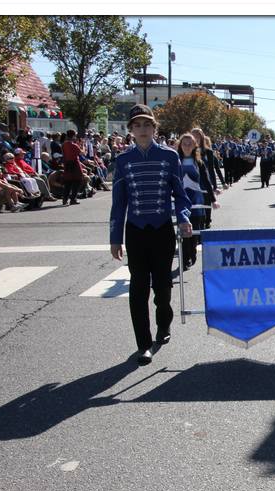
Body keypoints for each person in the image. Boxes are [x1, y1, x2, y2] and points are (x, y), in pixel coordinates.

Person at [109, 104, 193, 365]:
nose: (142, 130)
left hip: (161, 230)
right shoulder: (123, 160)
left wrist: (183, 217)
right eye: (137, 125)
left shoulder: (169, 157)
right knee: (138, 288)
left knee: (163, 288)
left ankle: (163, 325)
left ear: (155, 128)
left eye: (147, 125)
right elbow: (118, 202)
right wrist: (115, 237)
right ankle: (144, 344)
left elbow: (180, 195)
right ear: (131, 130)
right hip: (135, 231)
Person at [177, 133, 218, 271]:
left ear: (195, 145)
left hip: (196, 200)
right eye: (184, 144)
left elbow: (206, 182)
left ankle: (192, 253)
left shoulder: (199, 163)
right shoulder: (175, 161)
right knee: (183, 231)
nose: (187, 147)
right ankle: (183, 259)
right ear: (180, 145)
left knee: (194, 232)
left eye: (190, 144)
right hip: (181, 201)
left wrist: (213, 200)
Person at [61, 130, 84, 206]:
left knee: (68, 182)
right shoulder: (74, 145)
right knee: (77, 181)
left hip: (67, 164)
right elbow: (82, 153)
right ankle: (73, 199)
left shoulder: (64, 144)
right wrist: (82, 145)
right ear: (73, 136)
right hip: (75, 164)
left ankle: (65, 200)